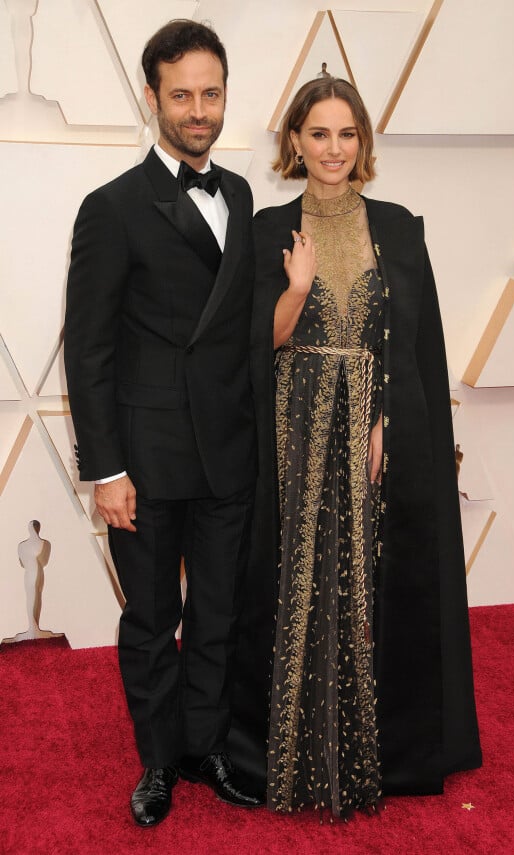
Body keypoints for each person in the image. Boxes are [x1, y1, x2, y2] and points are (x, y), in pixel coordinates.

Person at [248, 77, 482, 817]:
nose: (333, 149)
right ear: (295, 142)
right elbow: (258, 343)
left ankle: (373, 745)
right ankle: (289, 742)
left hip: (375, 427)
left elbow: (416, 348)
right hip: (294, 424)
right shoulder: (267, 229)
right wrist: (294, 288)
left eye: (346, 134)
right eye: (319, 134)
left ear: (364, 143)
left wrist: (391, 422)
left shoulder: (400, 229)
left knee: (366, 577)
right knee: (299, 576)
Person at [64, 19, 263, 827]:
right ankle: (156, 761)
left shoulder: (241, 195)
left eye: (210, 93)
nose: (198, 110)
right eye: (180, 95)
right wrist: (105, 469)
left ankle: (204, 745)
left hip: (228, 452)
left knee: (216, 612)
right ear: (152, 98)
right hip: (144, 460)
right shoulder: (111, 207)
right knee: (152, 617)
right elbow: (89, 347)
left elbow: (240, 327)